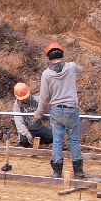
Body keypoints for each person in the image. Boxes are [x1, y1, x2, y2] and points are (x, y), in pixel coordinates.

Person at [33, 42, 86, 179]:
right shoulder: (72, 67)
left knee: (57, 141)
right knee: (74, 140)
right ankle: (78, 171)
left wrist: (38, 114)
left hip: (56, 110)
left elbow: (44, 97)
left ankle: (57, 172)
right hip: (71, 109)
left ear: (48, 57)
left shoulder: (46, 74)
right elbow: (81, 70)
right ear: (61, 54)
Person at [10, 82, 52, 148]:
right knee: (23, 142)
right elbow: (19, 123)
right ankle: (30, 142)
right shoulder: (17, 106)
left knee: (52, 137)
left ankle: (37, 143)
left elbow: (47, 114)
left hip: (39, 128)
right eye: (23, 98)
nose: (25, 99)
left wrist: (41, 113)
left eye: (26, 97)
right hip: (27, 129)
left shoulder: (38, 100)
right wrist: (27, 134)